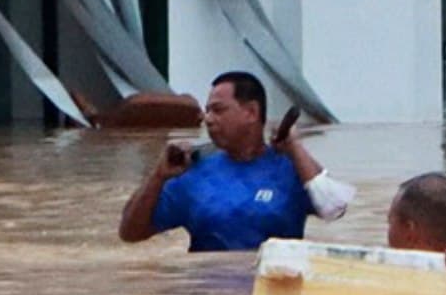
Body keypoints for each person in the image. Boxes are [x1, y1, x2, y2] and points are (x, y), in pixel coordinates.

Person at [118, 70, 353, 253]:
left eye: (218, 110)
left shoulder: (291, 168)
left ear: (251, 112)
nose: (208, 119)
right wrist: (158, 176)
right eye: (206, 111)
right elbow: (130, 233)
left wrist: (295, 147)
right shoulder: (191, 172)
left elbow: (335, 209)